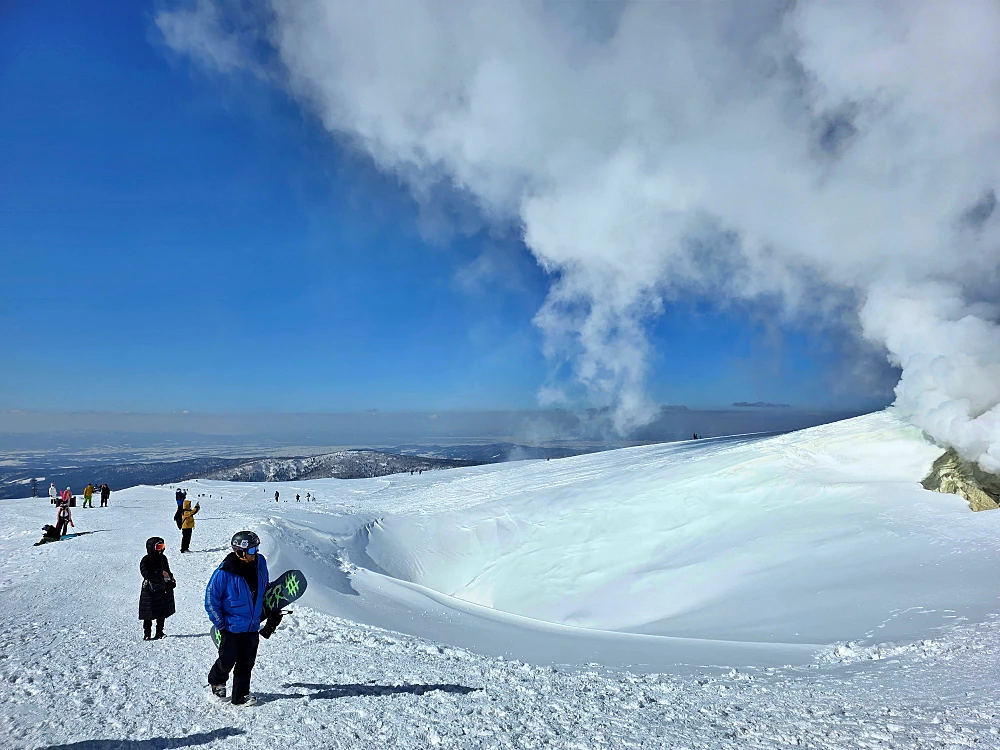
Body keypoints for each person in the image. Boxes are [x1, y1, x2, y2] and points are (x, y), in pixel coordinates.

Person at [205, 531, 271, 705]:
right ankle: (216, 680)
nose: (255, 553)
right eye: (251, 550)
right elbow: (211, 599)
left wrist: (271, 610)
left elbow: (264, 587)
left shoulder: (260, 562)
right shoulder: (224, 572)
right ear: (239, 550)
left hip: (251, 626)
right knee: (227, 660)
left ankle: (240, 696)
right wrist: (220, 623)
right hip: (231, 627)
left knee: (246, 662)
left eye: (256, 548)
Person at [139, 537, 176, 640]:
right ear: (152, 548)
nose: (161, 549)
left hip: (163, 588)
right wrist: (160, 574)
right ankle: (147, 634)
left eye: (162, 546)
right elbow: (145, 573)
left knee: (162, 611)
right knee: (148, 613)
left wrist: (171, 579)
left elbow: (167, 571)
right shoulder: (146, 560)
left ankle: (159, 632)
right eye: (158, 546)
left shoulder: (163, 558)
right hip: (150, 589)